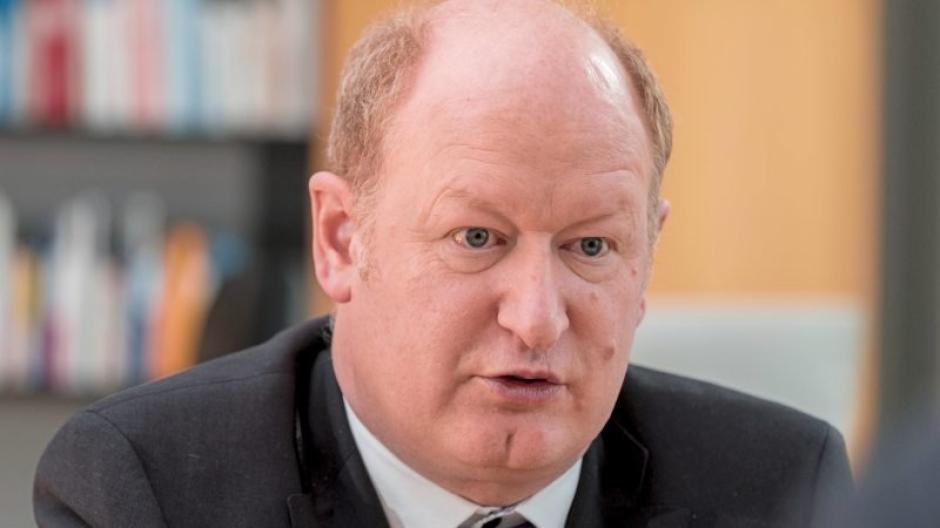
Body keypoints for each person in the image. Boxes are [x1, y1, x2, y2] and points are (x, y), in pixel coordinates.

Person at [33, 1, 852, 526]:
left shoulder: (785, 490)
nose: (537, 319)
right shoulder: (145, 491)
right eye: (477, 238)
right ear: (341, 241)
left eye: (591, 246)